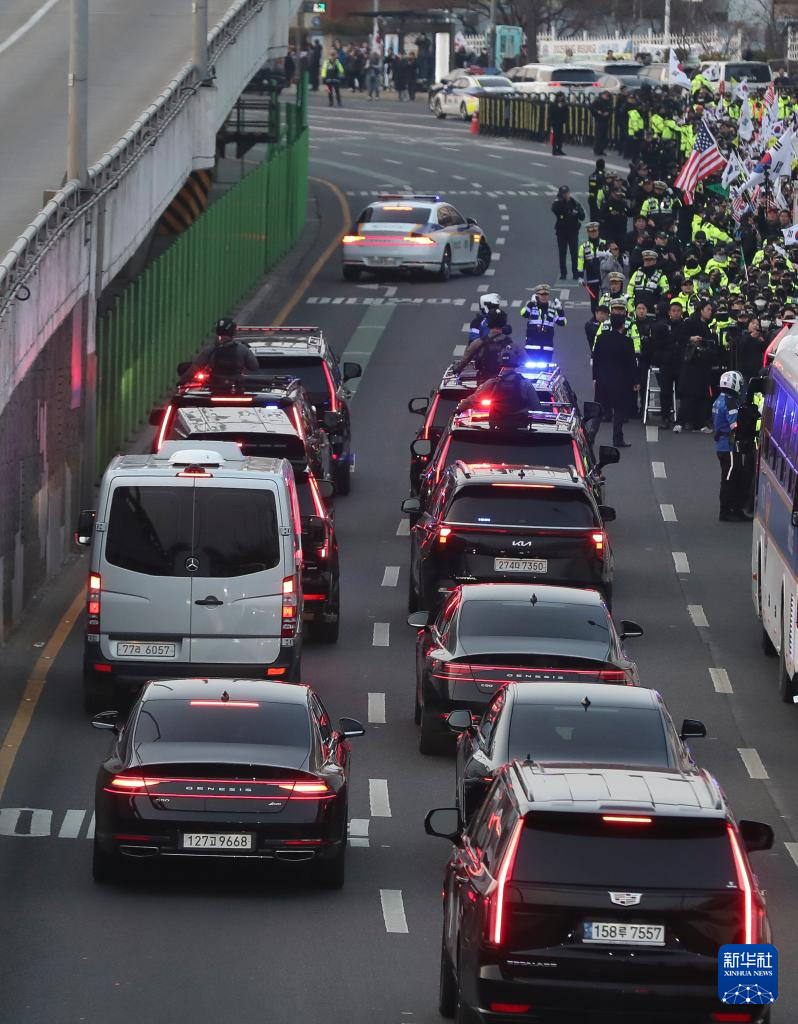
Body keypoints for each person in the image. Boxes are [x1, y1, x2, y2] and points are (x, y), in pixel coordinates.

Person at [592, 299, 638, 447]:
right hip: (620, 381)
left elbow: (595, 358)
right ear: (623, 326)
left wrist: (595, 377)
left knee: (599, 409)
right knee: (619, 410)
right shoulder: (627, 342)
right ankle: (617, 438)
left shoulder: (601, 339)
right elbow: (631, 363)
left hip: (602, 380)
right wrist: (635, 381)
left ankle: (591, 434)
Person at [181, 318, 259, 388]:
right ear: (233, 331)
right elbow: (254, 366)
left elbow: (195, 368)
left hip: (215, 387)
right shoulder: (242, 349)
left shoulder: (210, 349)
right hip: (237, 388)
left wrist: (182, 382)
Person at [712, 370, 747, 521]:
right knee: (730, 478)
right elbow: (735, 426)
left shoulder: (719, 400)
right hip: (729, 447)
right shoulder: (730, 402)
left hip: (722, 445)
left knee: (735, 476)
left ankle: (735, 510)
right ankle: (726, 511)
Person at [649, 301, 688, 428]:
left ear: (681, 313)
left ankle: (682, 419)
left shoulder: (685, 326)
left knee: (683, 391)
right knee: (665, 391)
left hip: (681, 363)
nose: (676, 313)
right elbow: (656, 345)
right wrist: (661, 359)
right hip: (666, 363)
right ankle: (665, 417)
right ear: (669, 312)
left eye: (678, 311)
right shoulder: (662, 326)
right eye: (673, 311)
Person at [452, 313, 509, 383]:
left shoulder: (479, 342)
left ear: (488, 325)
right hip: (504, 380)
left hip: (483, 378)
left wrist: (457, 369)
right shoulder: (509, 342)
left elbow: (466, 358)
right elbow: (520, 355)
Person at [521, 284, 566, 357]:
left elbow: (562, 322)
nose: (544, 297)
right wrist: (531, 303)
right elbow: (524, 314)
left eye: (546, 294)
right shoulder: (531, 307)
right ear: (536, 295)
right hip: (531, 347)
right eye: (541, 294)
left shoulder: (552, 310)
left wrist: (560, 310)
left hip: (547, 348)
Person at [551, 185, 585, 281]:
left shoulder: (575, 204)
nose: (565, 195)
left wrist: (576, 212)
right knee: (562, 253)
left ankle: (575, 273)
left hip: (573, 232)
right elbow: (555, 210)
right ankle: (563, 273)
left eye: (566, 193)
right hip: (561, 232)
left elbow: (582, 216)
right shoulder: (558, 203)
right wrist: (563, 202)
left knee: (574, 253)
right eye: (563, 193)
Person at [577, 222, 607, 313]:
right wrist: (580, 276)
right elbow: (580, 262)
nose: (593, 233)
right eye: (591, 232)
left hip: (604, 277)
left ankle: (605, 318)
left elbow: (612, 258)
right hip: (592, 277)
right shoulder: (583, 247)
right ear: (588, 233)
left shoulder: (605, 243)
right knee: (594, 302)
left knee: (606, 300)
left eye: (595, 231)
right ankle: (595, 318)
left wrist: (606, 254)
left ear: (598, 231)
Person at [590, 91, 612, 156]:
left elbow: (611, 109)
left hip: (606, 119)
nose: (607, 97)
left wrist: (608, 113)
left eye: (608, 96)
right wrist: (597, 111)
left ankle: (601, 150)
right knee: (599, 135)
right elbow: (591, 107)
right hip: (599, 119)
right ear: (602, 95)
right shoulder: (598, 101)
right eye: (606, 96)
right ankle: (596, 150)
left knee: (604, 136)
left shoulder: (608, 102)